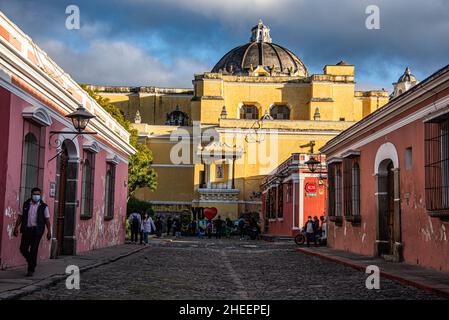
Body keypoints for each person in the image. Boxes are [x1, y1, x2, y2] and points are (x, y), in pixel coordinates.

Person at [13, 187, 52, 276]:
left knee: (34, 249)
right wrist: (16, 228)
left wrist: (49, 231)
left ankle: (31, 270)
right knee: (23, 248)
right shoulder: (26, 204)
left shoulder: (43, 206)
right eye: (34, 194)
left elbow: (47, 220)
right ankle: (31, 261)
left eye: (38, 194)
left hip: (37, 231)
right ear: (31, 195)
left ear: (40, 195)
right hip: (27, 230)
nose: (36, 196)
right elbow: (20, 217)